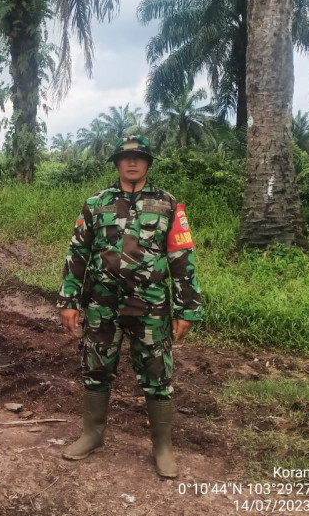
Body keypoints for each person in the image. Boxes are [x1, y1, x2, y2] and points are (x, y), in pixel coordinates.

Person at [57, 135, 202, 477]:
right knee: (95, 368)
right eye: (125, 158)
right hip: (101, 305)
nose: (132, 163)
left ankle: (162, 447)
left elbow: (182, 257)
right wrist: (69, 300)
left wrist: (187, 308)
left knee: (157, 375)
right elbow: (77, 253)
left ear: (148, 163)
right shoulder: (96, 203)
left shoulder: (168, 204)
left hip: (150, 306)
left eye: (138, 157)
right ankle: (92, 434)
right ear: (117, 163)